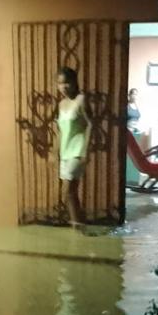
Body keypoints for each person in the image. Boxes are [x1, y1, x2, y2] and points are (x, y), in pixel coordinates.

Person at [56, 66, 91, 225]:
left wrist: (85, 151)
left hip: (77, 151)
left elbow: (91, 124)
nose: (63, 87)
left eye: (66, 83)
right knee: (72, 193)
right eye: (60, 83)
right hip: (64, 152)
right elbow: (60, 130)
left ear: (74, 82)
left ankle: (76, 227)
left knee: (68, 192)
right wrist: (54, 151)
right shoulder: (61, 104)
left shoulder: (81, 100)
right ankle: (80, 223)